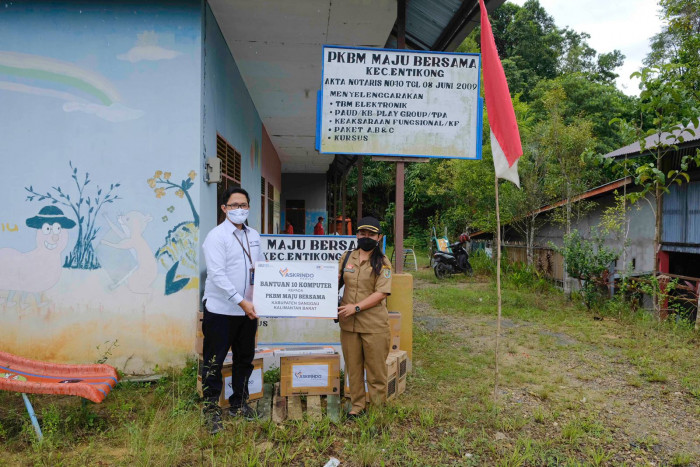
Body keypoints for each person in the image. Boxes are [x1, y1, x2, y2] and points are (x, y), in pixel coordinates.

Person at [201, 187, 260, 434]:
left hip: (247, 313)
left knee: (244, 360)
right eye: (234, 205)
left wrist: (261, 300)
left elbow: (260, 268)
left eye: (243, 204)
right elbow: (217, 275)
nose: (240, 209)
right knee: (214, 362)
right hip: (221, 312)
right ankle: (211, 410)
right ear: (224, 208)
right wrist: (240, 301)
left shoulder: (254, 235)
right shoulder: (216, 237)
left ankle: (239, 402)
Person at [337, 216, 392, 418]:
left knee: (376, 372)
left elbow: (382, 293)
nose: (366, 237)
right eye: (362, 233)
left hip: (374, 325)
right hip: (349, 325)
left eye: (371, 234)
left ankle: (377, 409)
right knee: (354, 369)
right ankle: (357, 406)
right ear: (357, 234)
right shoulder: (347, 257)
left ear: (379, 237)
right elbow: (334, 282)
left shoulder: (383, 262)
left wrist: (356, 307)